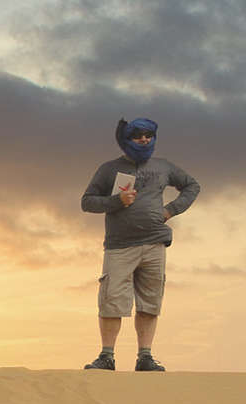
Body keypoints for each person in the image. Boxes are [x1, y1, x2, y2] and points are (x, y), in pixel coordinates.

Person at [79, 118, 200, 372]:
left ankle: (145, 356)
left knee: (150, 301)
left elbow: (192, 186)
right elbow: (87, 202)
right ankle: (106, 356)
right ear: (126, 139)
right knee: (112, 300)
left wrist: (170, 211)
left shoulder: (163, 166)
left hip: (155, 243)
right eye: (138, 136)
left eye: (148, 135)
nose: (144, 140)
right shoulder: (109, 168)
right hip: (119, 246)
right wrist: (116, 200)